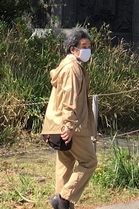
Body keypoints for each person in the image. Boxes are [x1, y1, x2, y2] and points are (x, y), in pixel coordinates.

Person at [42, 28, 97, 209]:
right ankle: (63, 198)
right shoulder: (72, 69)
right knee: (89, 162)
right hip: (72, 126)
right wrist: (69, 125)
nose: (87, 50)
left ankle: (62, 204)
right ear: (72, 49)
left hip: (57, 124)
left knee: (65, 165)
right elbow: (69, 98)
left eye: (89, 46)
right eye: (83, 46)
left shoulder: (66, 66)